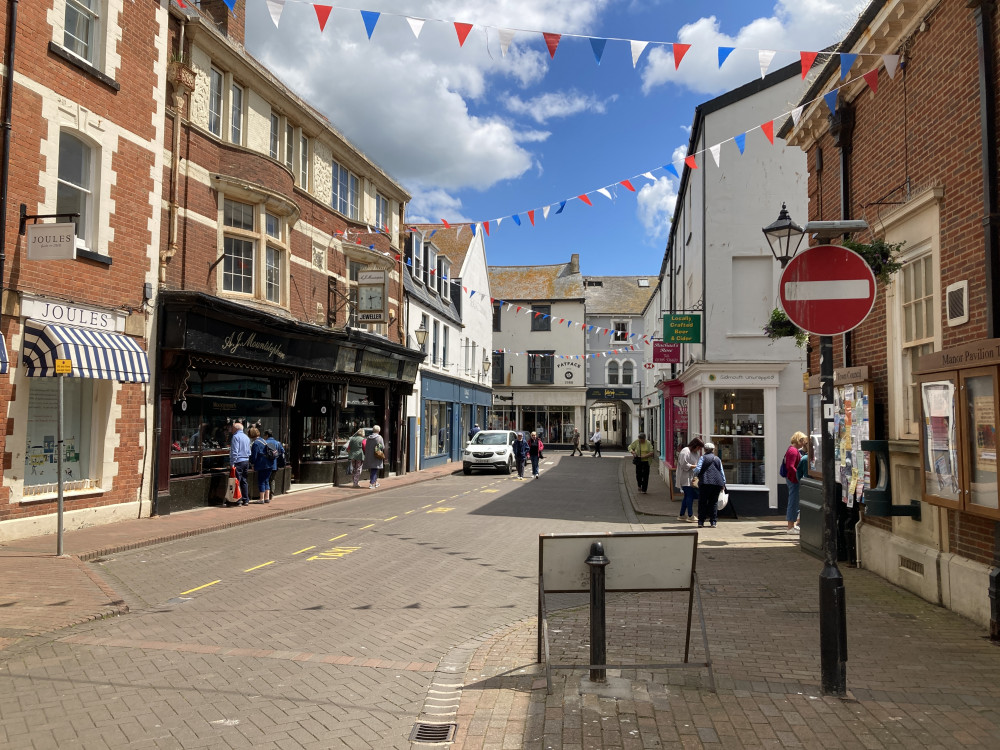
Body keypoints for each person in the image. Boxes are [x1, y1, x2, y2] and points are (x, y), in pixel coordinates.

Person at [694, 442, 726, 528]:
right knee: (714, 502)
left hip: (705, 482)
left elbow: (697, 469)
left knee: (702, 502)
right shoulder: (717, 459)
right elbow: (721, 472)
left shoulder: (703, 458)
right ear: (713, 450)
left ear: (705, 450)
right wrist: (723, 483)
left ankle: (701, 521)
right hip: (717, 483)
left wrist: (695, 475)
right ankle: (713, 522)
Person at [784, 431, 809, 533]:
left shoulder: (791, 450)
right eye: (803, 440)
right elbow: (790, 466)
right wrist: (798, 475)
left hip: (792, 479)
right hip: (793, 479)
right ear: (800, 440)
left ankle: (793, 525)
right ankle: (790, 527)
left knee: (794, 502)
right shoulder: (793, 451)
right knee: (793, 502)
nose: (804, 443)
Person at [676, 438, 704, 522]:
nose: (699, 450)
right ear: (695, 445)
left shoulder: (695, 452)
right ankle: (690, 515)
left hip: (692, 477)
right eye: (699, 447)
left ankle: (681, 515)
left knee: (687, 496)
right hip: (685, 477)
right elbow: (684, 465)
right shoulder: (685, 451)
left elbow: (698, 462)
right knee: (690, 496)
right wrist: (695, 466)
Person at [229, 421, 250, 506]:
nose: (231, 430)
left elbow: (235, 451)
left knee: (237, 481)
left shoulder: (235, 437)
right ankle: (246, 499)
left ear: (236, 429)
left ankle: (238, 500)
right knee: (244, 481)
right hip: (246, 461)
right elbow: (249, 451)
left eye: (233, 428)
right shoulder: (246, 437)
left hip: (238, 461)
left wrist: (232, 463)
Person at [249, 426, 272, 504]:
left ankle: (261, 498)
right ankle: (267, 497)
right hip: (269, 463)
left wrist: (252, 464)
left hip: (261, 464)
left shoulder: (255, 443)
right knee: (266, 480)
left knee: (261, 481)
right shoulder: (264, 440)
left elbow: (254, 456)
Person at [363, 424, 385, 489]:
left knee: (373, 469)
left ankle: (376, 482)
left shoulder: (368, 438)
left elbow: (366, 446)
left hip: (369, 456)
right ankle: (371, 483)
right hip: (376, 455)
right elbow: (382, 446)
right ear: (379, 430)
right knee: (374, 469)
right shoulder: (379, 437)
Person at [263, 430, 284, 498]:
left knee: (265, 479)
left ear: (267, 435)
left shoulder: (265, 442)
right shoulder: (277, 443)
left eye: (264, 435)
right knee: (272, 479)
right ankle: (271, 493)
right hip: (275, 464)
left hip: (266, 464)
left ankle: (265, 494)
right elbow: (282, 451)